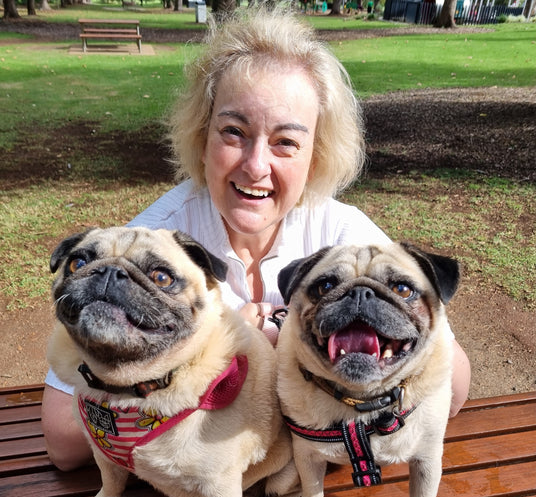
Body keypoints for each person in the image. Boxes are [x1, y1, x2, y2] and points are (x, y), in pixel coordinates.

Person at [42, 9, 471, 471]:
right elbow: (64, 442)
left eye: (286, 141)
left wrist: (297, 356)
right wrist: (228, 353)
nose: (255, 165)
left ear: (316, 154)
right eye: (234, 132)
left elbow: (456, 384)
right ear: (201, 135)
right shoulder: (156, 242)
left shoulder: (343, 233)